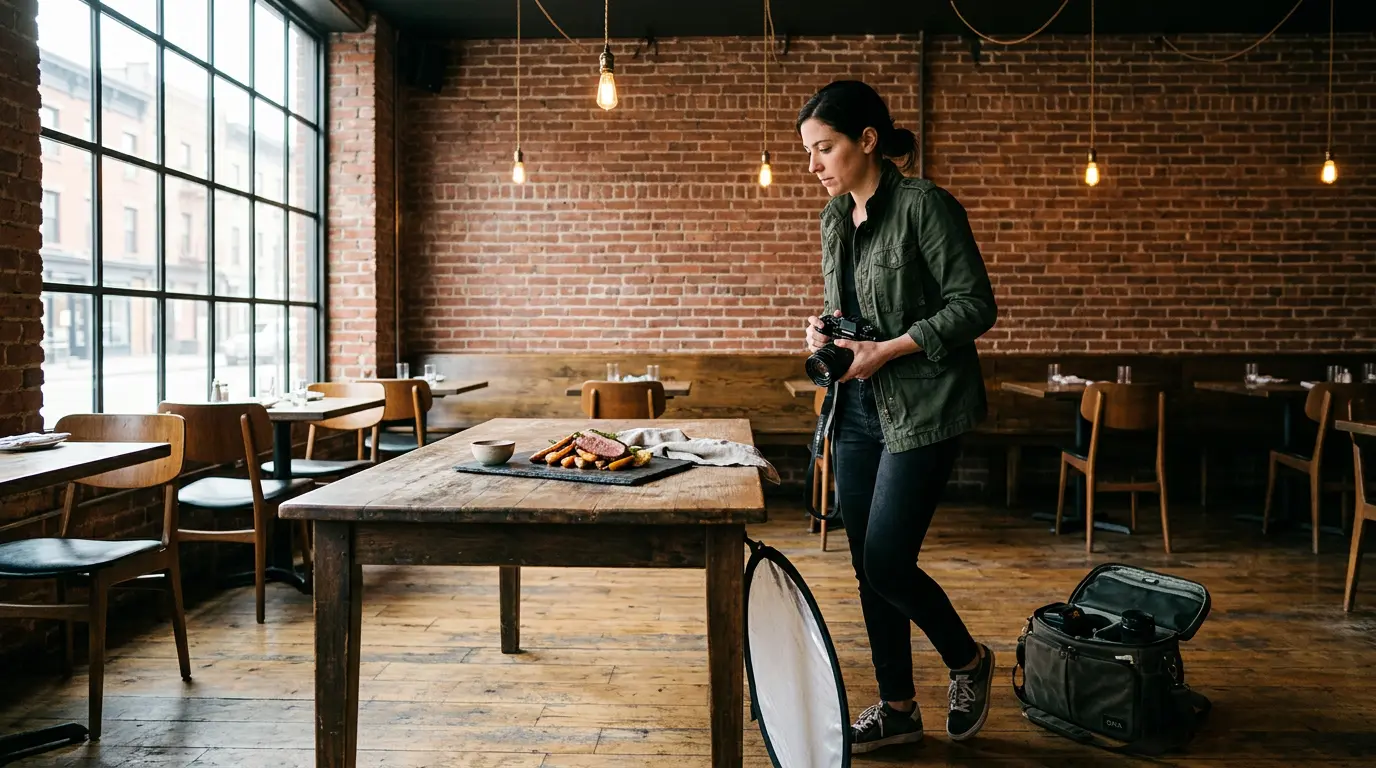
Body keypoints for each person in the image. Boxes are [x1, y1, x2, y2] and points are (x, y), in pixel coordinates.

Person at [799, 80, 999, 754]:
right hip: (857, 407)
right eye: (809, 152)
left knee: (887, 560)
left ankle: (968, 660)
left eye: (824, 148)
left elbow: (974, 305)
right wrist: (826, 332)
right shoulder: (834, 218)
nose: (814, 165)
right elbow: (851, 309)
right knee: (867, 565)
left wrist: (886, 350)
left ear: (867, 140)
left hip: (925, 407)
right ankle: (898, 708)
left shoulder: (925, 206)